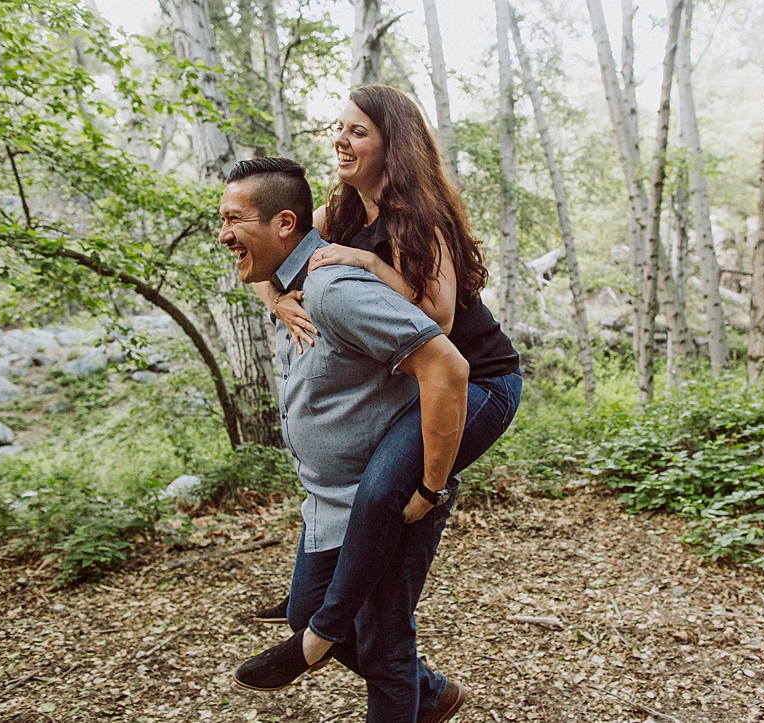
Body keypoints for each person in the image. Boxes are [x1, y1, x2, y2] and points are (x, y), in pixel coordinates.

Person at [248, 83, 521, 707]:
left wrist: (368, 265)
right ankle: (410, 684)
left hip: (479, 382)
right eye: (339, 129)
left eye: (357, 132)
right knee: (368, 513)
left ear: (390, 144)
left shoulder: (416, 216)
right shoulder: (340, 211)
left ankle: (322, 633)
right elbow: (270, 257)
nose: (341, 141)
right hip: (424, 387)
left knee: (379, 494)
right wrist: (281, 304)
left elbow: (442, 322)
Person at [221, 156, 469, 723]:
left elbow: (447, 368)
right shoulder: (296, 283)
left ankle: (413, 694)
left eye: (235, 219)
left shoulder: (334, 289)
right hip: (326, 501)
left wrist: (428, 487)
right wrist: (276, 299)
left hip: (379, 499)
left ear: (284, 225)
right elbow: (266, 273)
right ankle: (430, 694)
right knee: (307, 611)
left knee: (383, 649)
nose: (223, 232)